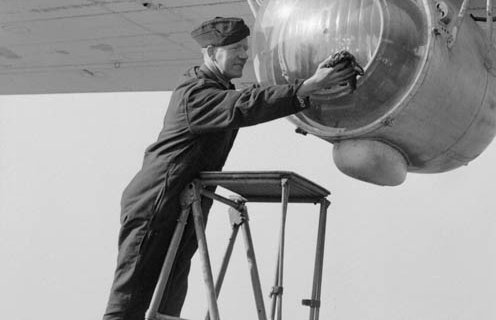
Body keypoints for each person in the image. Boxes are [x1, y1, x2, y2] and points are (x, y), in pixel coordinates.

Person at [103, 16, 356, 320]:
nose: (243, 55)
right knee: (130, 299)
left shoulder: (218, 88)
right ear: (210, 52)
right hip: (156, 203)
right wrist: (307, 87)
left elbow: (256, 96)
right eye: (235, 48)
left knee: (167, 304)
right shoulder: (196, 93)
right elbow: (245, 104)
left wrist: (312, 79)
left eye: (245, 48)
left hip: (186, 203)